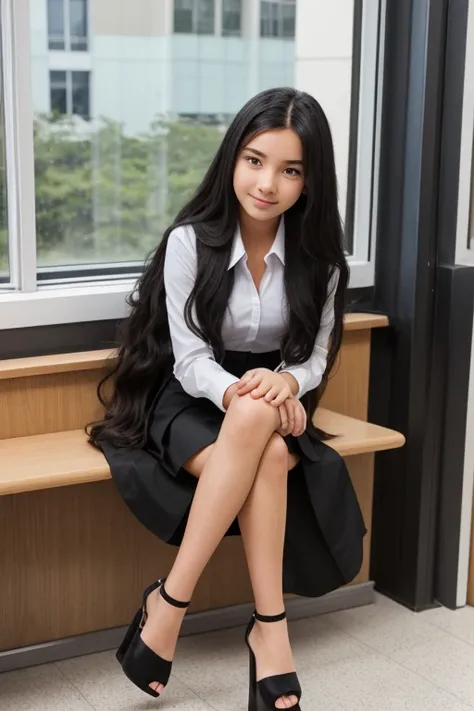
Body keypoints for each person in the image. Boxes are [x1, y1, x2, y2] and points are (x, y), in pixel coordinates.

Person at [87, 87, 366, 711]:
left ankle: (168, 606)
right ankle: (268, 630)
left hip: (271, 398)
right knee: (261, 439)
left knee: (265, 449)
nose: (267, 182)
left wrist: (288, 383)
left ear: (309, 182)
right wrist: (253, 395)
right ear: (232, 160)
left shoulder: (321, 264)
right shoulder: (191, 241)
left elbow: (314, 355)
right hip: (185, 393)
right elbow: (187, 359)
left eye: (290, 169)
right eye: (254, 159)